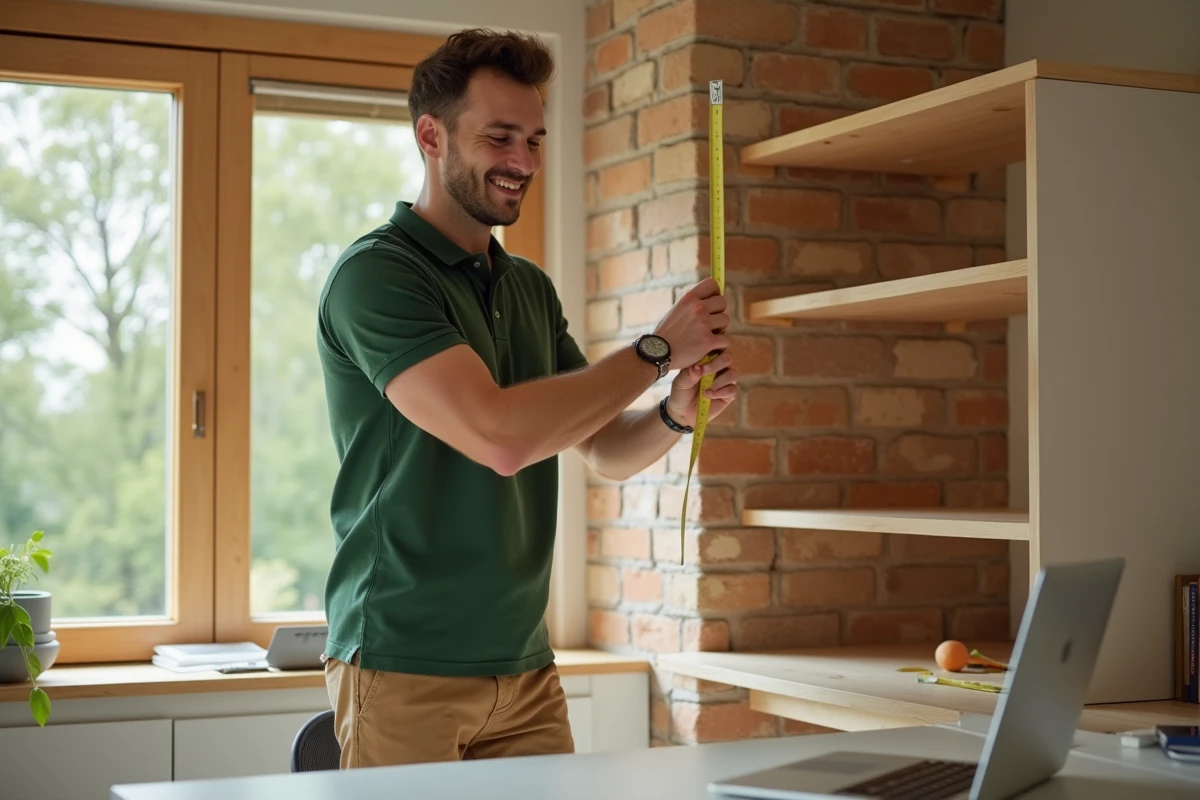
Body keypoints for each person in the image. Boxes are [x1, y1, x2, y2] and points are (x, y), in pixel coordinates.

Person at [316, 27, 739, 769]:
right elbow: (500, 438)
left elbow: (604, 447)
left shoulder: (529, 290)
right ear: (431, 136)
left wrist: (675, 409)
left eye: (536, 141)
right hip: (402, 659)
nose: (522, 162)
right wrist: (656, 350)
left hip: (524, 667)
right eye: (500, 137)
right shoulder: (378, 277)